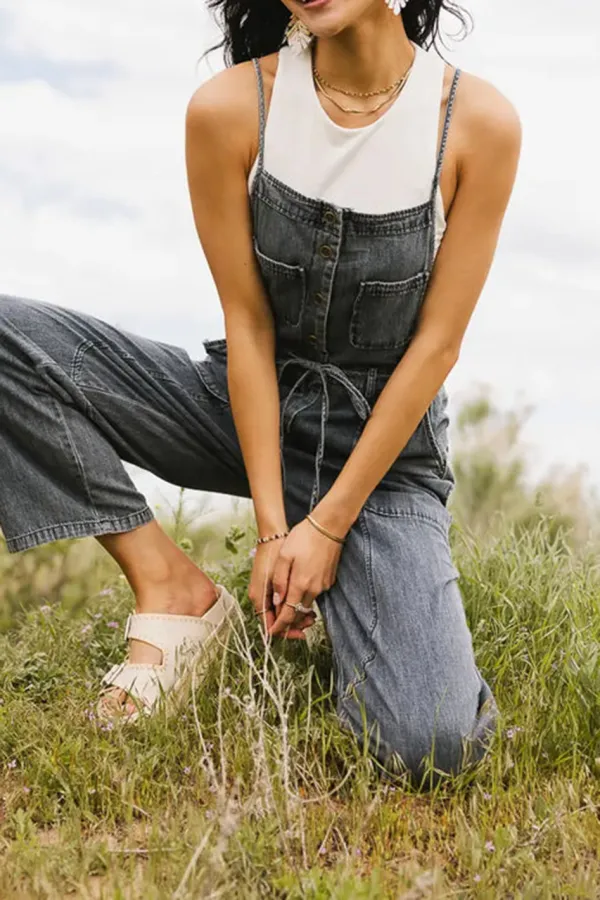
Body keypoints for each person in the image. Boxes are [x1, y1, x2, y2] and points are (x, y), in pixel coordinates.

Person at [0, 0, 521, 787]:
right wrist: (276, 532)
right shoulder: (231, 109)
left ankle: (364, 605)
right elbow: (247, 325)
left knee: (433, 748)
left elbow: (436, 346)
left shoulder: (476, 121)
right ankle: (172, 590)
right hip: (249, 406)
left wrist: (331, 528)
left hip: (382, 456)